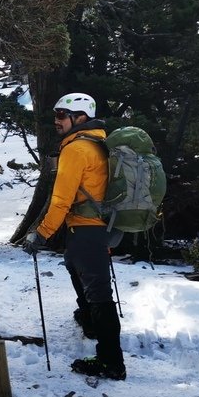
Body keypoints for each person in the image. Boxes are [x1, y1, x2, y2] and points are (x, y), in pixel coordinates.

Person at [21, 93, 126, 380]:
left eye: (61, 115)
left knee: (99, 294)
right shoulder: (98, 142)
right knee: (73, 264)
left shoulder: (77, 150)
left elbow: (60, 201)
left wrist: (40, 234)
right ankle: (90, 321)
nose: (56, 121)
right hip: (96, 227)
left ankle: (111, 362)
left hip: (88, 228)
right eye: (56, 115)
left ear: (80, 118)